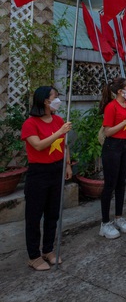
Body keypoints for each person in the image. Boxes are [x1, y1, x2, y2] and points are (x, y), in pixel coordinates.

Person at [21, 86, 72, 270]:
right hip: (39, 173)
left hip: (56, 169)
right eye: (55, 97)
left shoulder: (58, 120)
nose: (58, 100)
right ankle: (33, 256)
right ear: (45, 101)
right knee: (34, 216)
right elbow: (38, 146)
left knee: (53, 213)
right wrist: (59, 132)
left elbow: (65, 145)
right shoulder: (30, 123)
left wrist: (67, 164)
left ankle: (48, 249)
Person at [99, 77, 126, 239]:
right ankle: (105, 223)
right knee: (110, 184)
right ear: (120, 91)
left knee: (121, 183)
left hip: (124, 146)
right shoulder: (111, 107)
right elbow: (107, 131)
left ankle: (118, 217)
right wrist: (125, 122)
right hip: (112, 147)